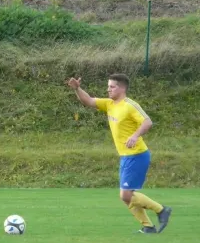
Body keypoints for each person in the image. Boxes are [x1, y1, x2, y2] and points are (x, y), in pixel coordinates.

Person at [67, 73, 172, 233]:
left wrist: (135, 136)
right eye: (108, 86)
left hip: (137, 155)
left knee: (125, 195)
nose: (108, 89)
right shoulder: (109, 104)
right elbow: (88, 101)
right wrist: (77, 89)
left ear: (122, 88)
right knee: (127, 196)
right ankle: (148, 227)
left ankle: (161, 210)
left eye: (112, 86)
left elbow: (147, 122)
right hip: (125, 156)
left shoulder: (130, 105)